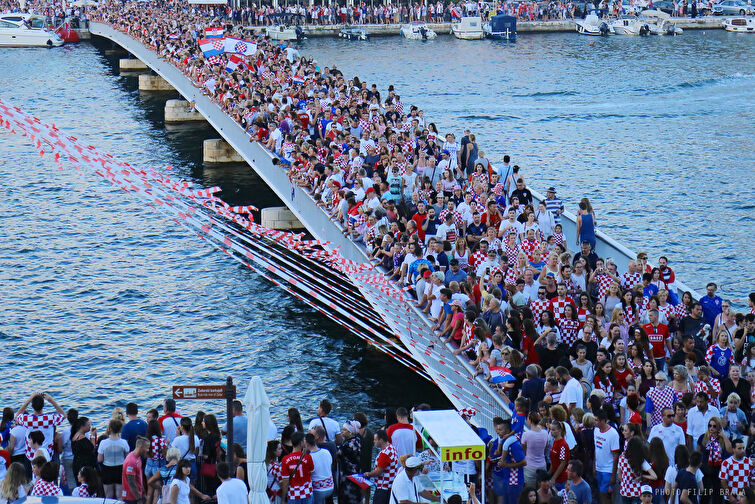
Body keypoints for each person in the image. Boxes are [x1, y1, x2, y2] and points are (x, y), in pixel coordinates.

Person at [14, 392, 65, 462]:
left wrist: (29, 399)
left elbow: (17, 415)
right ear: (43, 406)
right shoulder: (49, 418)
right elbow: (63, 415)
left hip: (31, 455)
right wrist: (51, 401)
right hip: (47, 454)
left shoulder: (27, 419)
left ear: (32, 406)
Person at [364, 429, 399, 504]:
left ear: (381, 440)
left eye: (375, 439)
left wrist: (367, 474)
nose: (374, 441)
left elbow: (378, 472)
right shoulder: (392, 448)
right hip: (390, 486)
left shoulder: (384, 454)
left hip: (383, 488)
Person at [593, 408, 619, 504]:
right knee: (601, 493)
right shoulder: (596, 431)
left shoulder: (613, 434)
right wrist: (594, 467)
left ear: (603, 420)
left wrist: (613, 475)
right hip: (599, 468)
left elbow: (616, 455)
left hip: (608, 470)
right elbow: (596, 449)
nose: (594, 422)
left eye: (596, 420)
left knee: (607, 496)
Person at [98, 419, 130, 498]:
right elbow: (127, 458)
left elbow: (100, 459)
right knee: (120, 496)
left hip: (107, 470)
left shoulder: (103, 443)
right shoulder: (124, 442)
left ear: (110, 429)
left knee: (108, 496)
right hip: (120, 469)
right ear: (120, 429)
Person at [719, 439, 754, 504]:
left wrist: (751, 496)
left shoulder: (749, 462)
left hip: (745, 500)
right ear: (733, 449)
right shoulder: (726, 463)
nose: (743, 450)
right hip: (730, 500)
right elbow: (723, 481)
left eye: (743, 448)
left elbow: (752, 480)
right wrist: (730, 496)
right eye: (739, 448)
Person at [304, 433, 333, 504]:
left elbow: (309, 473)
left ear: (307, 444)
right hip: (330, 486)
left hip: (318, 489)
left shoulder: (309, 457)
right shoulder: (326, 452)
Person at [122, 436, 149, 504]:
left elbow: (139, 478)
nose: (148, 450)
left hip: (136, 495)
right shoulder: (131, 461)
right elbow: (131, 482)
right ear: (141, 447)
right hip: (130, 497)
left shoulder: (138, 458)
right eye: (147, 448)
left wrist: (143, 494)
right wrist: (139, 499)